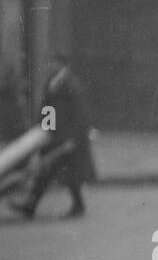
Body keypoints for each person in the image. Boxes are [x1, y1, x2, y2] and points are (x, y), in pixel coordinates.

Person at [9, 53, 94, 219]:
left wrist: (73, 139)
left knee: (67, 174)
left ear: (62, 66)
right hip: (55, 136)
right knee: (49, 172)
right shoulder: (52, 82)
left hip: (69, 139)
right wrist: (42, 128)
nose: (50, 66)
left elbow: (80, 115)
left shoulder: (72, 85)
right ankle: (32, 206)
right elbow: (47, 108)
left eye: (53, 63)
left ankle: (75, 206)